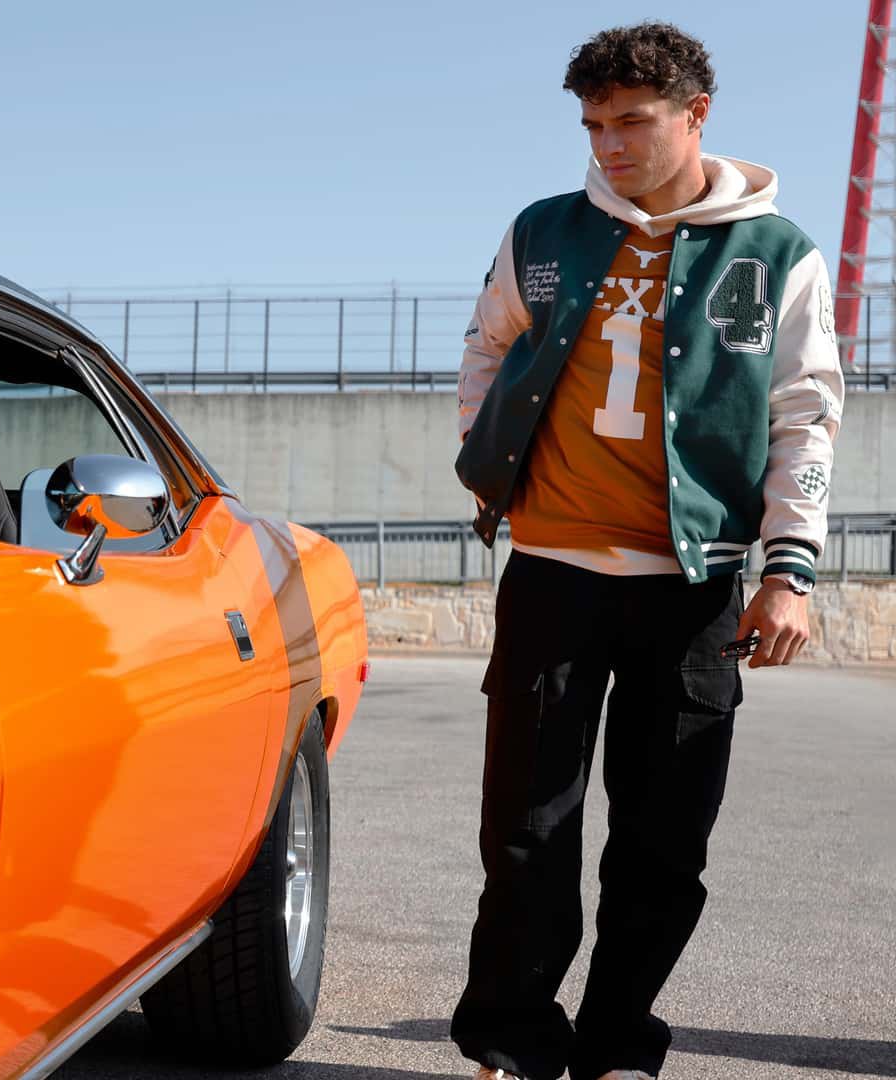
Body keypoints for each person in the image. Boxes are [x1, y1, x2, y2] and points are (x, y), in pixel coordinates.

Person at [451, 21, 844, 1080]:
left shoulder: (778, 253)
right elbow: (488, 349)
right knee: (526, 832)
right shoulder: (544, 230)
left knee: (665, 843)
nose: (609, 144)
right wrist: (487, 465)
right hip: (553, 574)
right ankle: (513, 1040)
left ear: (695, 115)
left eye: (632, 121)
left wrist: (788, 568)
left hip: (695, 588)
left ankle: (620, 1045)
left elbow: (806, 416)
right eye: (593, 124)